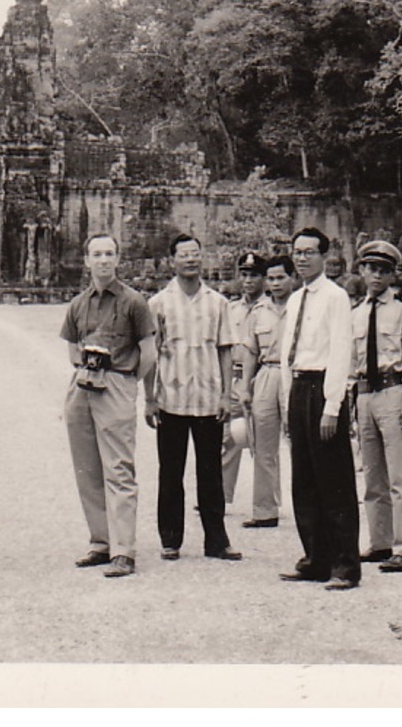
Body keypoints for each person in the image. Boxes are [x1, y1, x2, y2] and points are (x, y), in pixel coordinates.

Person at [60, 233, 157, 578]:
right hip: (83, 384)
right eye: (96, 254)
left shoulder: (134, 302)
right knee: (87, 468)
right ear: (86, 261)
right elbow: (72, 347)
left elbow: (149, 353)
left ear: (118, 259)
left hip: (116, 382)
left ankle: (124, 550)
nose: (103, 260)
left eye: (109, 254)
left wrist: (127, 381)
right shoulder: (78, 303)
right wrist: (83, 370)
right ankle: (100, 542)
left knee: (118, 468)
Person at [147, 234, 242, 562]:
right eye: (184, 255)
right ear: (172, 260)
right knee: (170, 472)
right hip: (170, 399)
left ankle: (216, 540)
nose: (190, 260)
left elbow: (226, 351)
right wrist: (149, 398)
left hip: (207, 399)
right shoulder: (158, 303)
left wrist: (227, 396)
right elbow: (150, 354)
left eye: (195, 254)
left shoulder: (218, 303)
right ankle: (170, 539)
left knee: (210, 471)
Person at [278, 227, 361, 591]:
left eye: (310, 252)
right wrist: (286, 402)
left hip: (323, 388)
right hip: (298, 387)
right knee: (305, 479)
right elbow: (286, 356)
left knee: (334, 480)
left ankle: (345, 565)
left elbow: (341, 351)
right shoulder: (295, 300)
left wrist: (332, 406)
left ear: (325, 257)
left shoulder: (335, 297)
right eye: (297, 251)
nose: (302, 258)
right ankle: (315, 557)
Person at [351, 240, 402, 573]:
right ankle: (380, 541)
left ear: (392, 274)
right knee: (372, 477)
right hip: (365, 394)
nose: (377, 276)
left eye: (384, 270)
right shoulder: (355, 313)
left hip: (393, 390)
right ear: (362, 270)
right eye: (372, 268)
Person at [239, 254, 294, 528]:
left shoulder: (301, 306)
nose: (275, 283)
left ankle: (311, 507)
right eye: (270, 279)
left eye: (280, 277)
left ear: (292, 278)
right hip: (267, 374)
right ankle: (265, 510)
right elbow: (250, 351)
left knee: (300, 442)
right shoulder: (258, 311)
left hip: (295, 375)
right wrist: (245, 387)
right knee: (263, 445)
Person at [221, 251, 266, 509]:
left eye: (254, 275)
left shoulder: (269, 308)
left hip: (261, 376)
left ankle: (266, 499)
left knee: (263, 439)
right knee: (228, 435)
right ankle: (222, 493)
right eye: (245, 275)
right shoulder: (231, 309)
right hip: (235, 376)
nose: (248, 280)